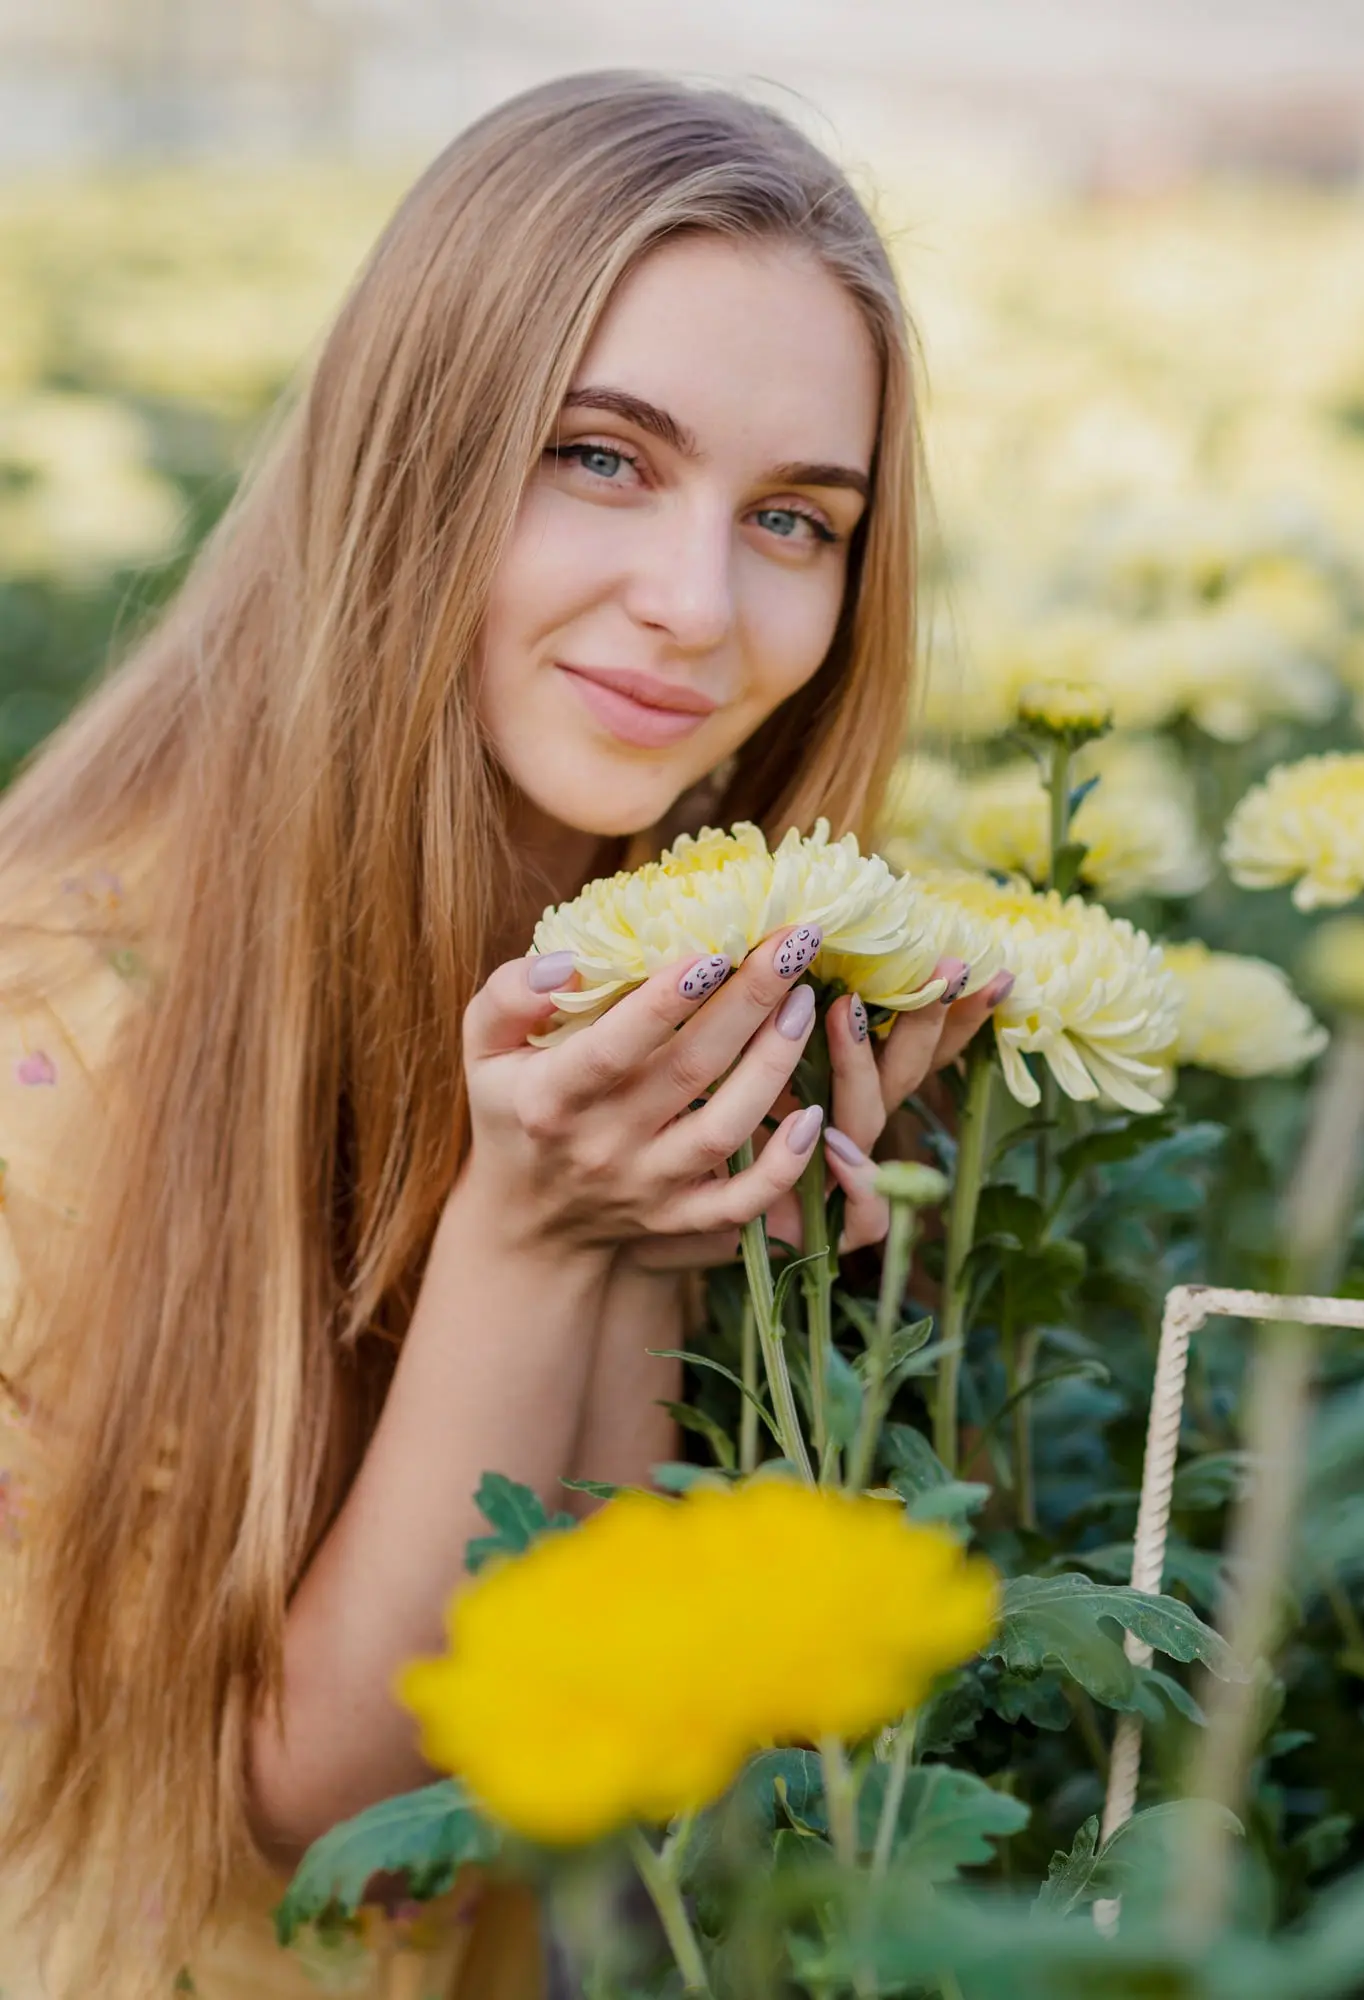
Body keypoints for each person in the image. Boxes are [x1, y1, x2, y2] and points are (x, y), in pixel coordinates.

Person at [0, 69, 1009, 1999]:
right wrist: (535, 1234)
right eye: (603, 458)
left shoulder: (655, 969)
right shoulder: (57, 1033)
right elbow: (349, 1821)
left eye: (795, 517)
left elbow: (590, 1749)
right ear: (415, 450)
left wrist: (666, 1232)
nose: (694, 609)